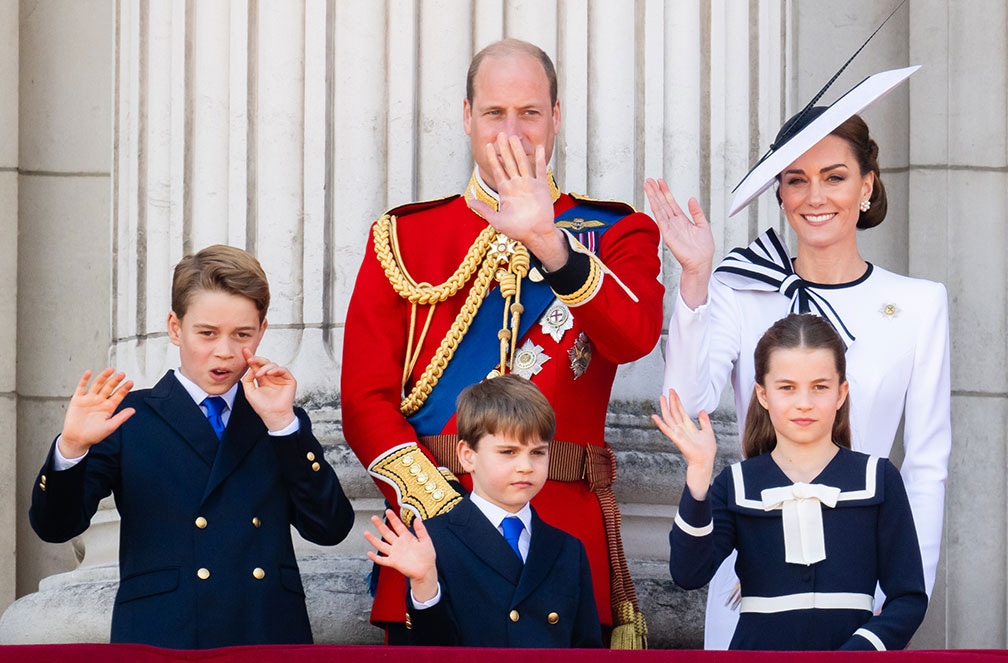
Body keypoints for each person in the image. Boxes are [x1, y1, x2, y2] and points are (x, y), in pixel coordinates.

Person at [341, 38, 662, 647]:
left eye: (530, 113)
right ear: (466, 117)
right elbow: (362, 401)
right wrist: (447, 516)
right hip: (429, 535)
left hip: (561, 537)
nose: (512, 133)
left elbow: (634, 336)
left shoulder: (616, 232)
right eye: (494, 113)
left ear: (557, 116)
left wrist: (551, 245)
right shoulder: (404, 237)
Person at [645, 68, 950, 648]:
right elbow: (688, 404)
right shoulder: (740, 288)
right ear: (779, 193)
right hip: (752, 578)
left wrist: (900, 600)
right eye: (796, 179)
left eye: (835, 177)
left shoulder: (918, 304)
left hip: (863, 587)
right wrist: (693, 283)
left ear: (866, 186)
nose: (815, 197)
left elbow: (927, 465)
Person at [29, 245, 355, 649]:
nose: (224, 351)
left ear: (262, 331)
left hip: (264, 632)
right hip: (165, 635)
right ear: (174, 327)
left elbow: (331, 528)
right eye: (207, 333)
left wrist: (284, 426)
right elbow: (55, 526)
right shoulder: (128, 417)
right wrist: (72, 448)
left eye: (242, 335)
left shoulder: (278, 419)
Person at [657, 313, 928, 650]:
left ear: (841, 393)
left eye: (820, 387)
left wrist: (859, 653)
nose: (804, 403)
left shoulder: (878, 478)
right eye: (787, 388)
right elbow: (688, 574)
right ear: (763, 394)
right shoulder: (737, 484)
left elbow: (909, 598)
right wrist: (698, 473)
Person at [364, 375, 602, 648]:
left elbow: (587, 650)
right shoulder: (433, 540)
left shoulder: (568, 550)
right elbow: (431, 650)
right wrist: (424, 583)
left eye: (537, 453)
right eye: (508, 452)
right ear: (468, 455)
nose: (525, 466)